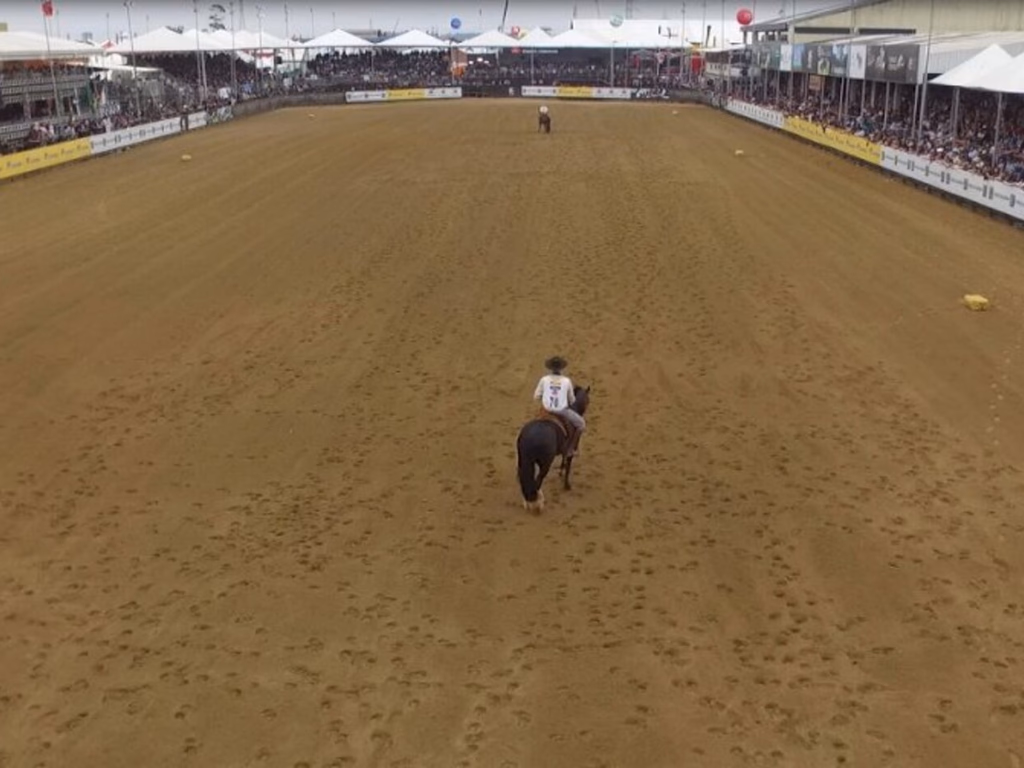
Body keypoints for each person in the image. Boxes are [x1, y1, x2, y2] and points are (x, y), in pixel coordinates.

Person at [533, 356, 585, 455]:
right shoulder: (566, 381)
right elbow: (572, 399)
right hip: (561, 410)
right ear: (561, 368)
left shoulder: (544, 379)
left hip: (546, 409)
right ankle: (571, 449)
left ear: (550, 368)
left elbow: (536, 396)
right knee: (581, 424)